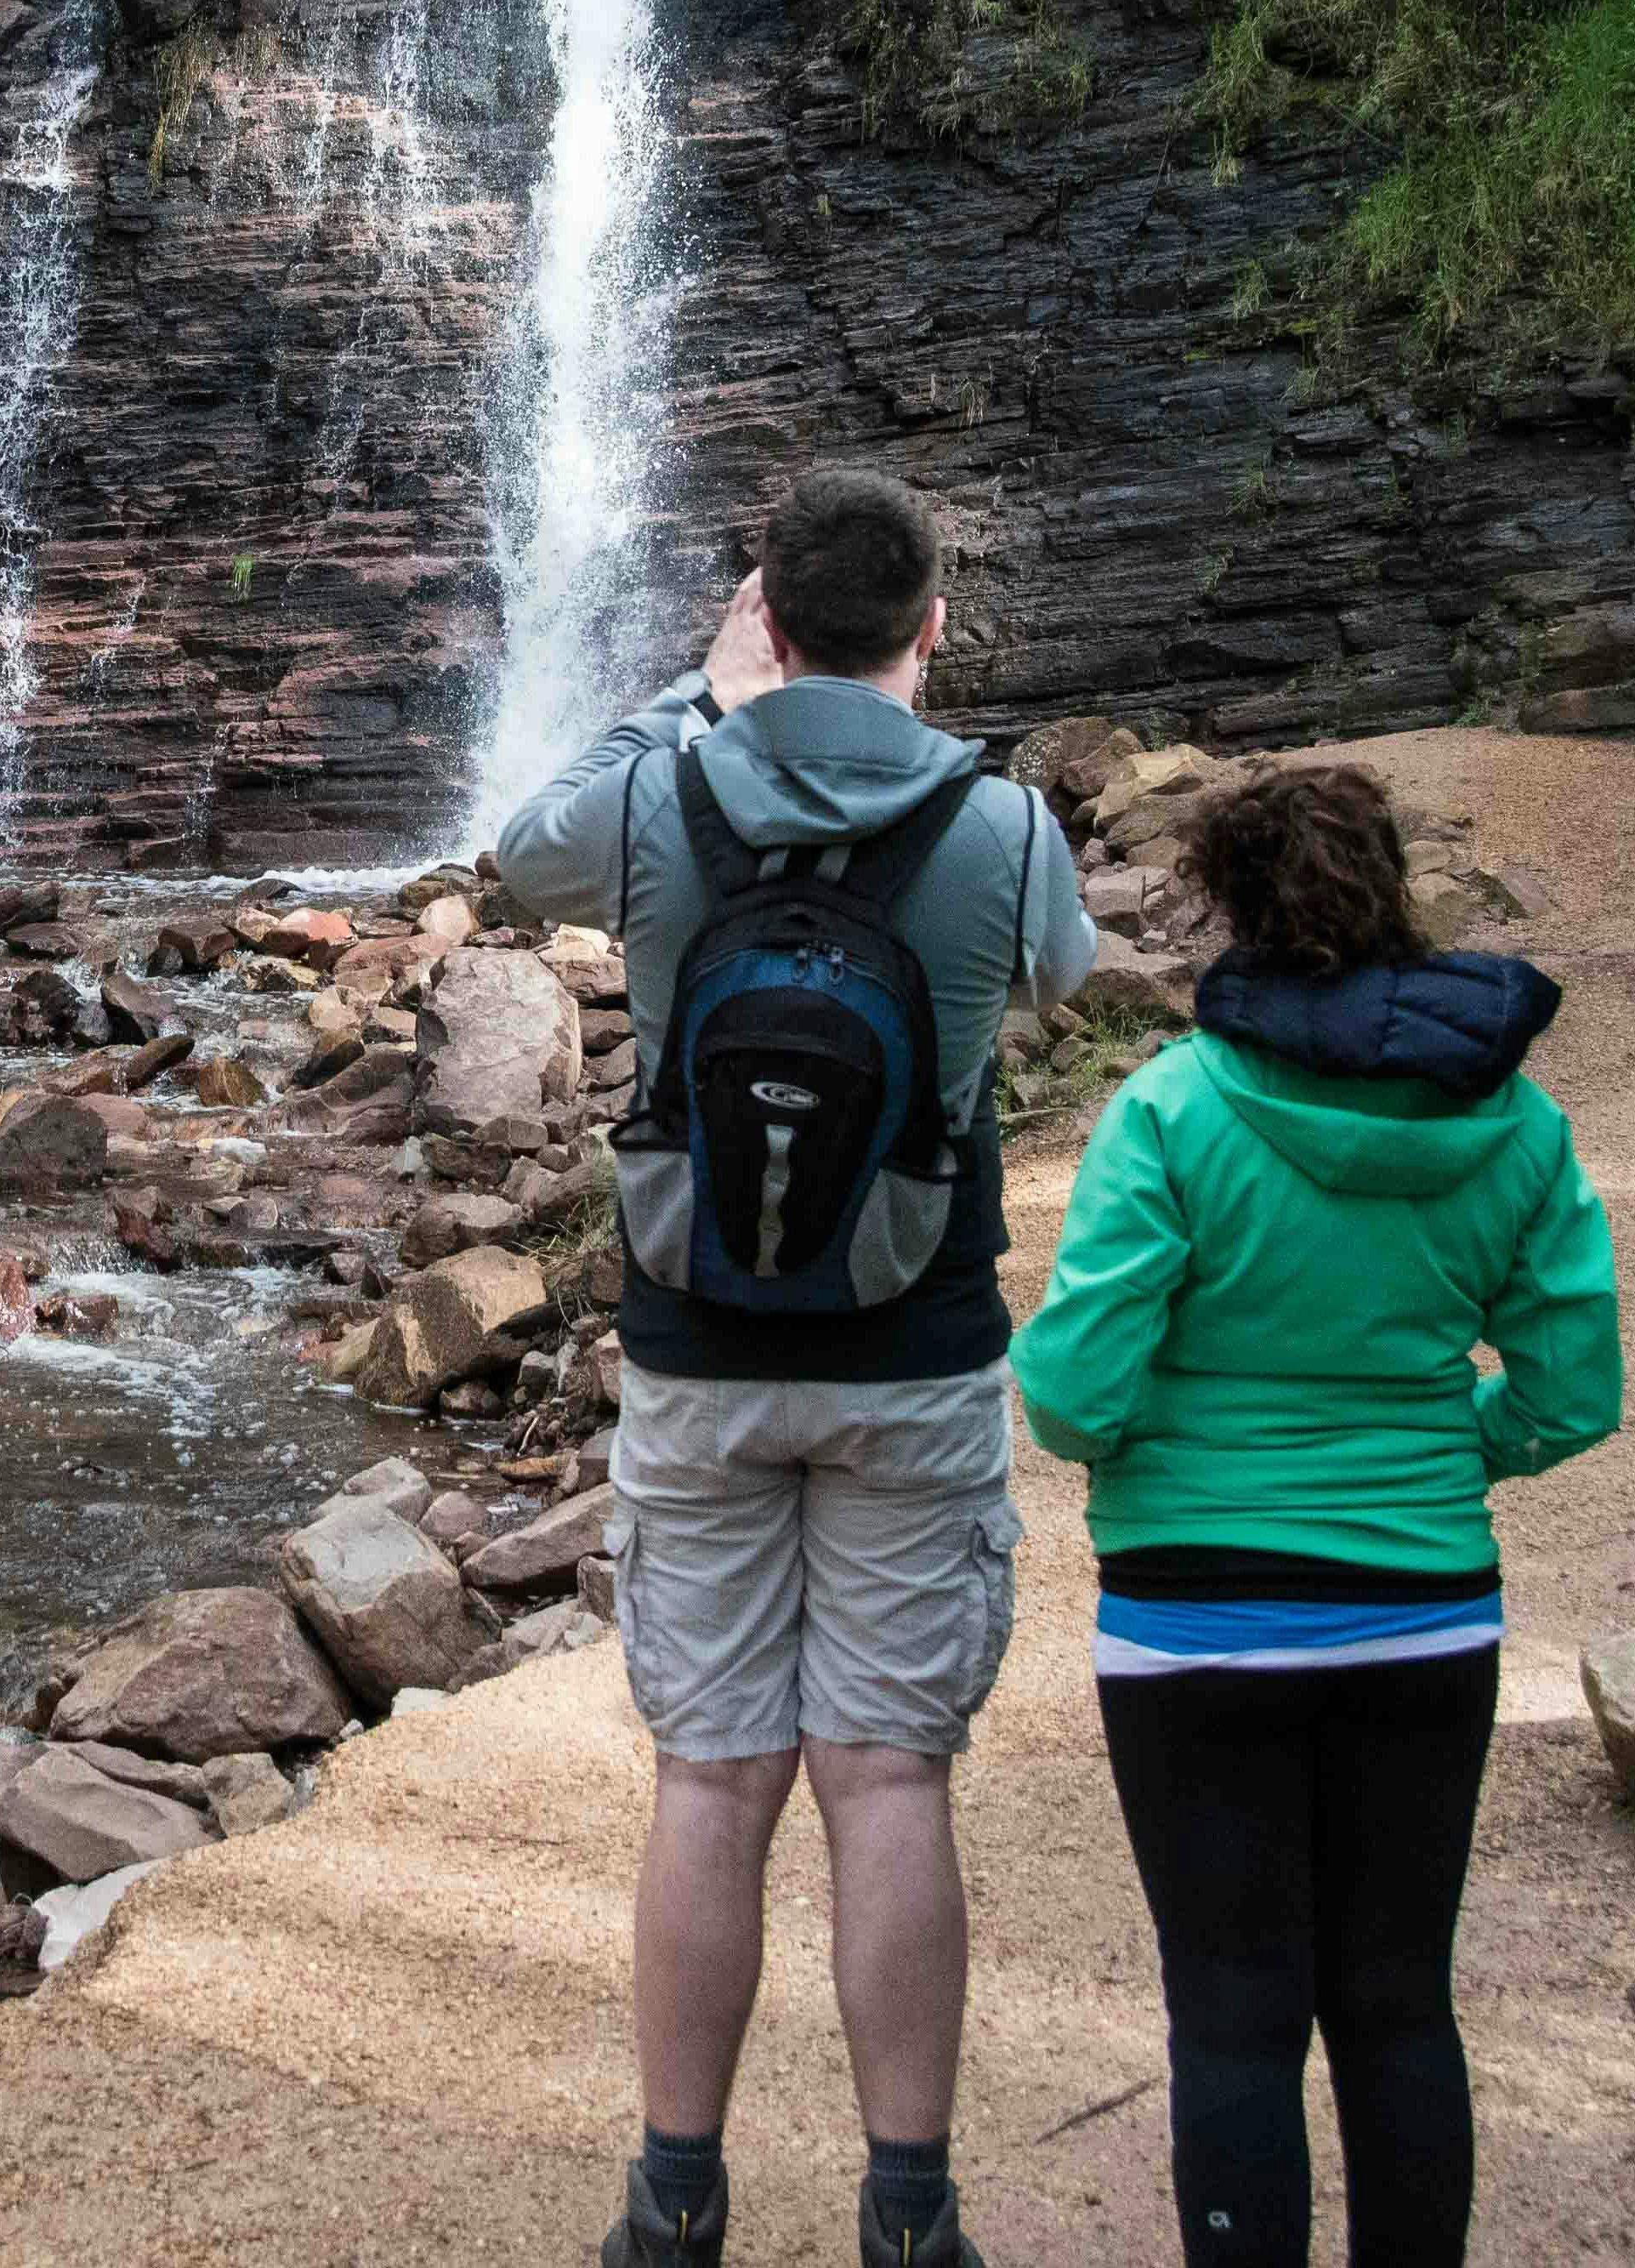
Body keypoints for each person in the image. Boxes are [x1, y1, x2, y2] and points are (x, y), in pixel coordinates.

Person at [497, 463, 1097, 2268]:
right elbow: (1060, 978)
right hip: (912, 1348)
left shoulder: (666, 781)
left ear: (760, 601)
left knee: (708, 1780)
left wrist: (697, 692)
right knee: (889, 1779)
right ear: (928, 624)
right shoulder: (996, 819)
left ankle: (673, 2195)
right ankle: (905, 2208)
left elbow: (514, 846)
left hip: (698, 1345)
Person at [1009, 764, 1621, 2268]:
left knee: (1232, 2014)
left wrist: (1175, 1453)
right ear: (1395, 889)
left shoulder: (1170, 1110)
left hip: (1193, 1619)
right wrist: (1434, 1450)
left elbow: (1075, 1397)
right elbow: (1569, 1394)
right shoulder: (1518, 1126)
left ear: (1230, 904)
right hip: (1426, 1606)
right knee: (1400, 1998)